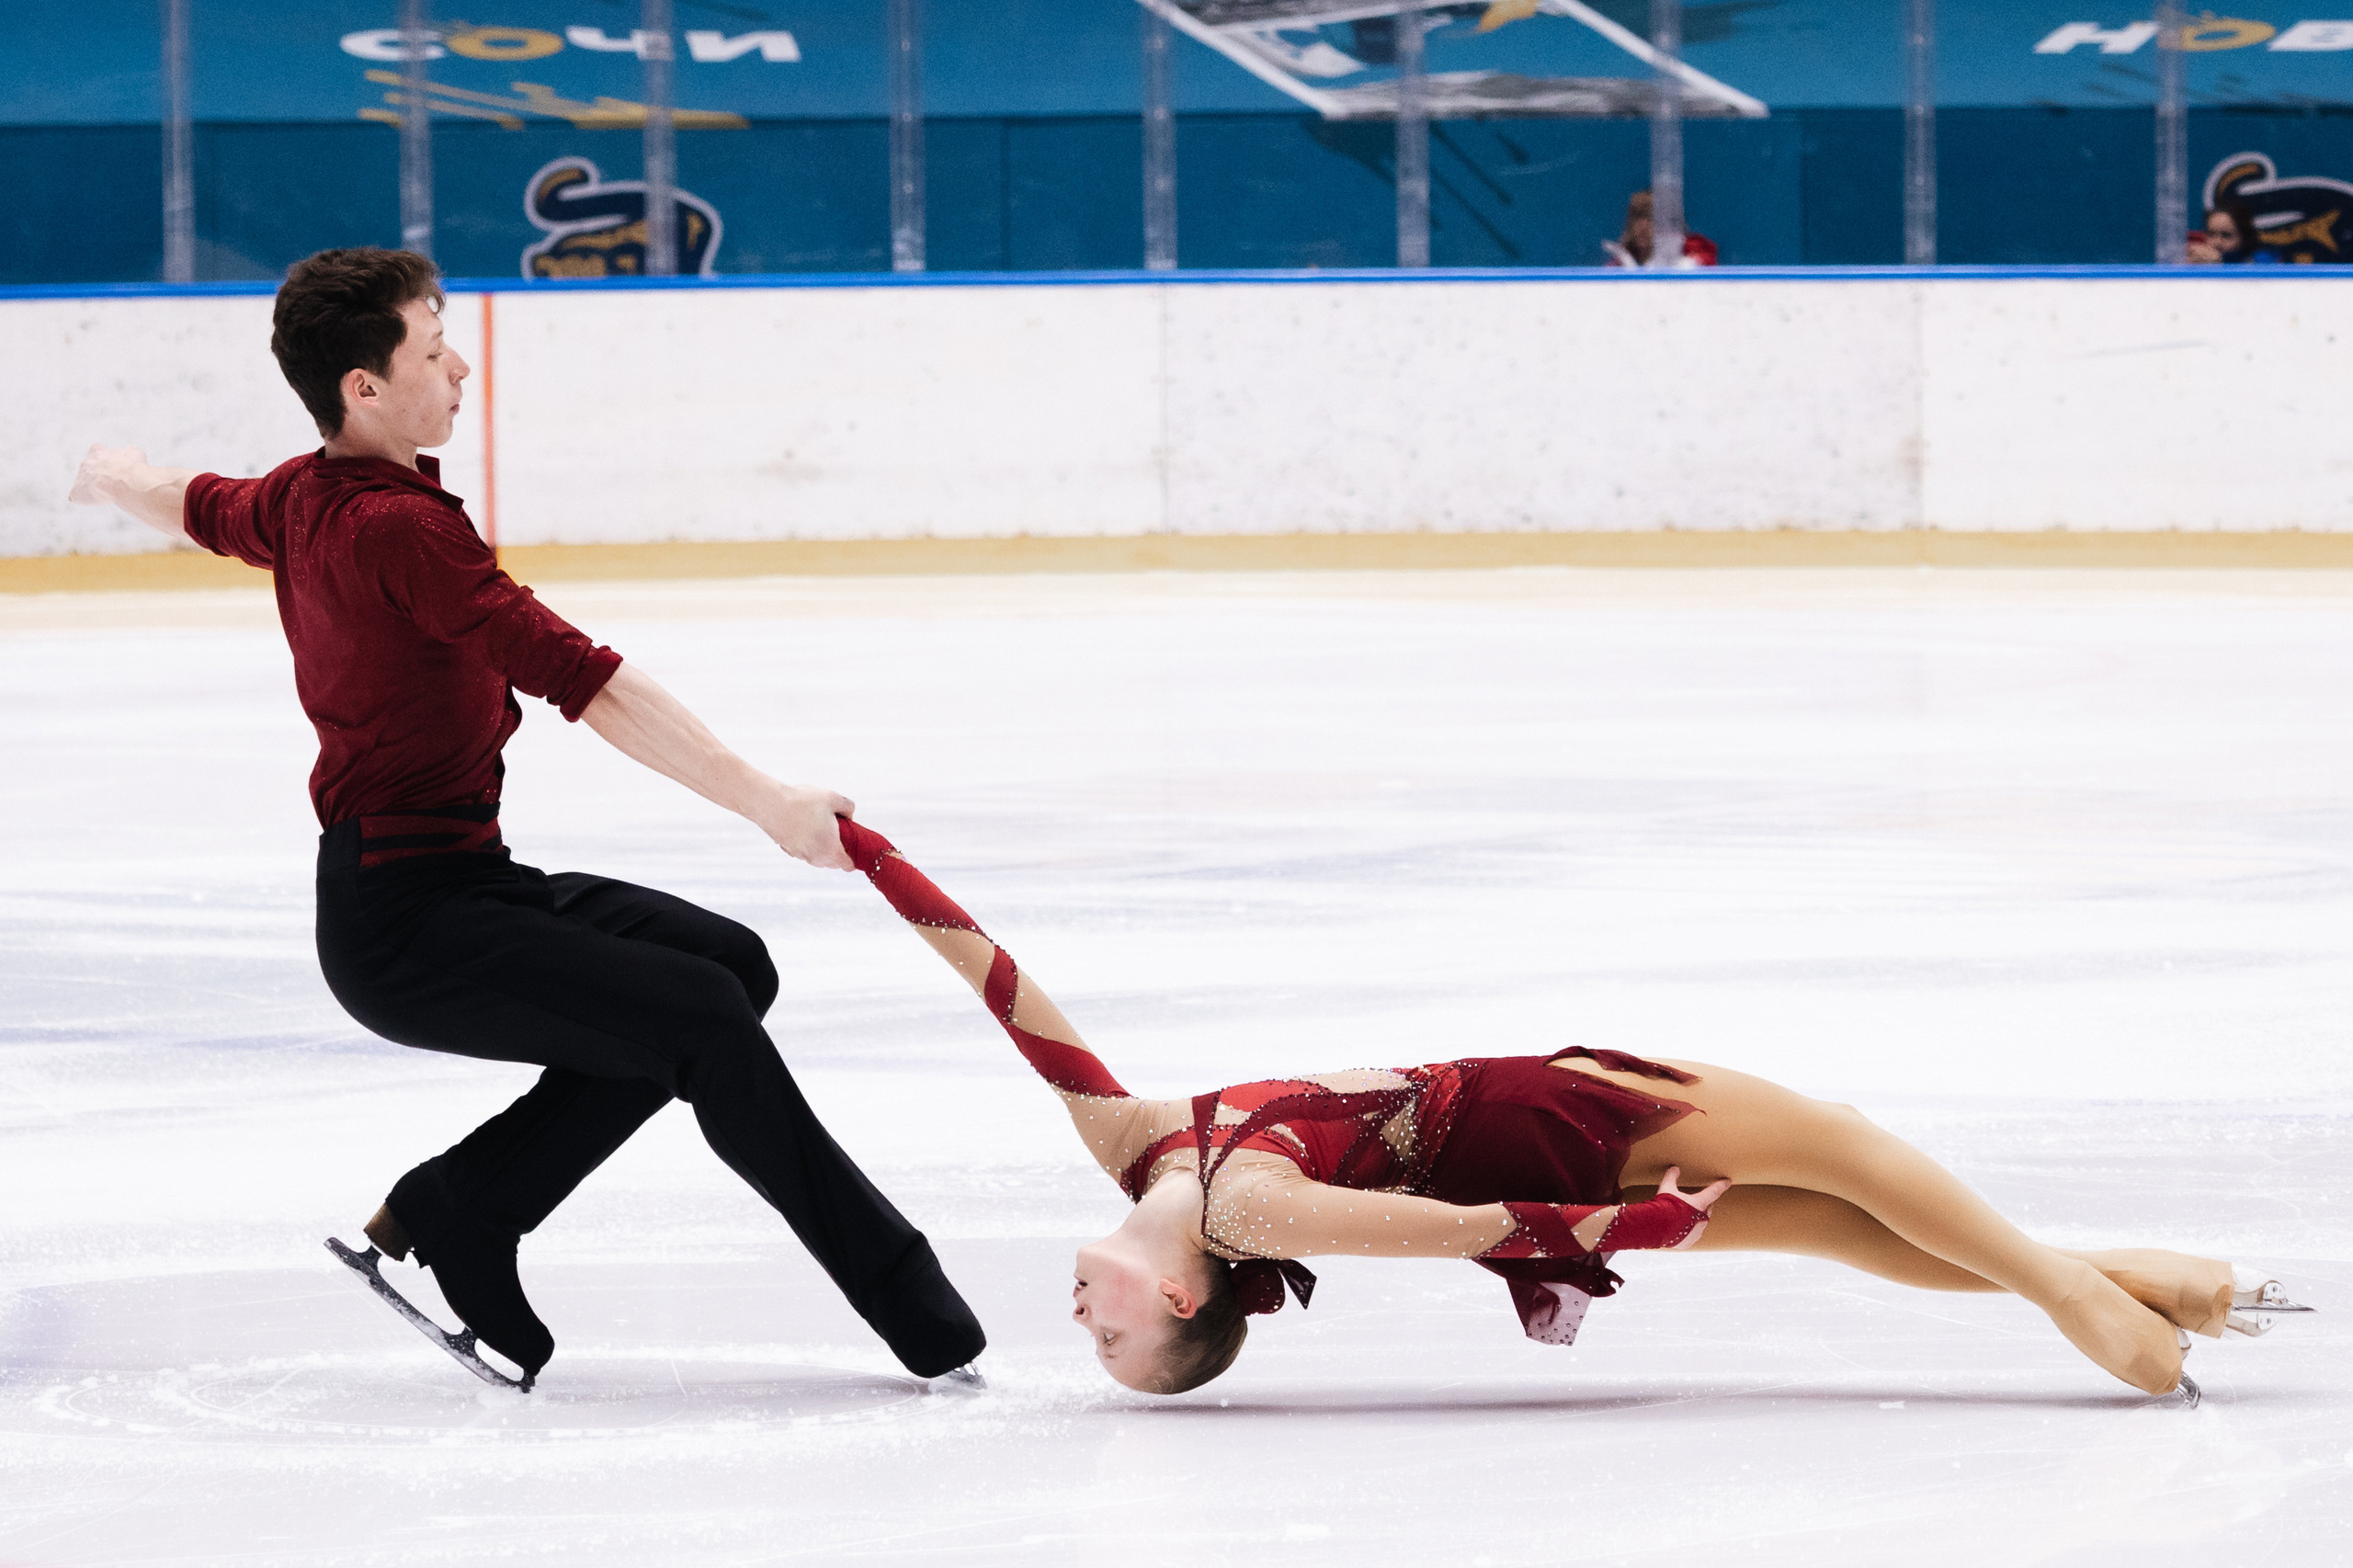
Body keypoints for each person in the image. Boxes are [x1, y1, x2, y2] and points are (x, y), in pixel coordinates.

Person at [66, 247, 984, 1389]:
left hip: (460, 880)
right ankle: (913, 1304)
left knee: (726, 966)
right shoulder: (397, 530)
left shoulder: (302, 497)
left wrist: (118, 472)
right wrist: (769, 802)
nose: (459, 363)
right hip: (404, 921)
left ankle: (466, 1206)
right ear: (362, 386)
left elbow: (196, 503)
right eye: (431, 343)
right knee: (697, 1012)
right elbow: (584, 680)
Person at [837, 817, 2308, 1402]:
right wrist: (1639, 1220)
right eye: (1112, 1335)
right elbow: (1476, 1222)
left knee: (1843, 1225)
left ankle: (2139, 1278)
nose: (1076, 1317)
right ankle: (2088, 1299)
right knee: (1850, 1156)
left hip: (1560, 1146)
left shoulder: (1137, 1138)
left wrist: (864, 851)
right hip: (1565, 1127)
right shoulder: (1246, 1206)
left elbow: (1000, 983)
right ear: (1180, 1287)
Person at [1603, 189, 1719, 269]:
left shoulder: (1694, 254)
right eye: (1637, 217)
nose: (1643, 225)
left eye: (1650, 218)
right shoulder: (1621, 263)